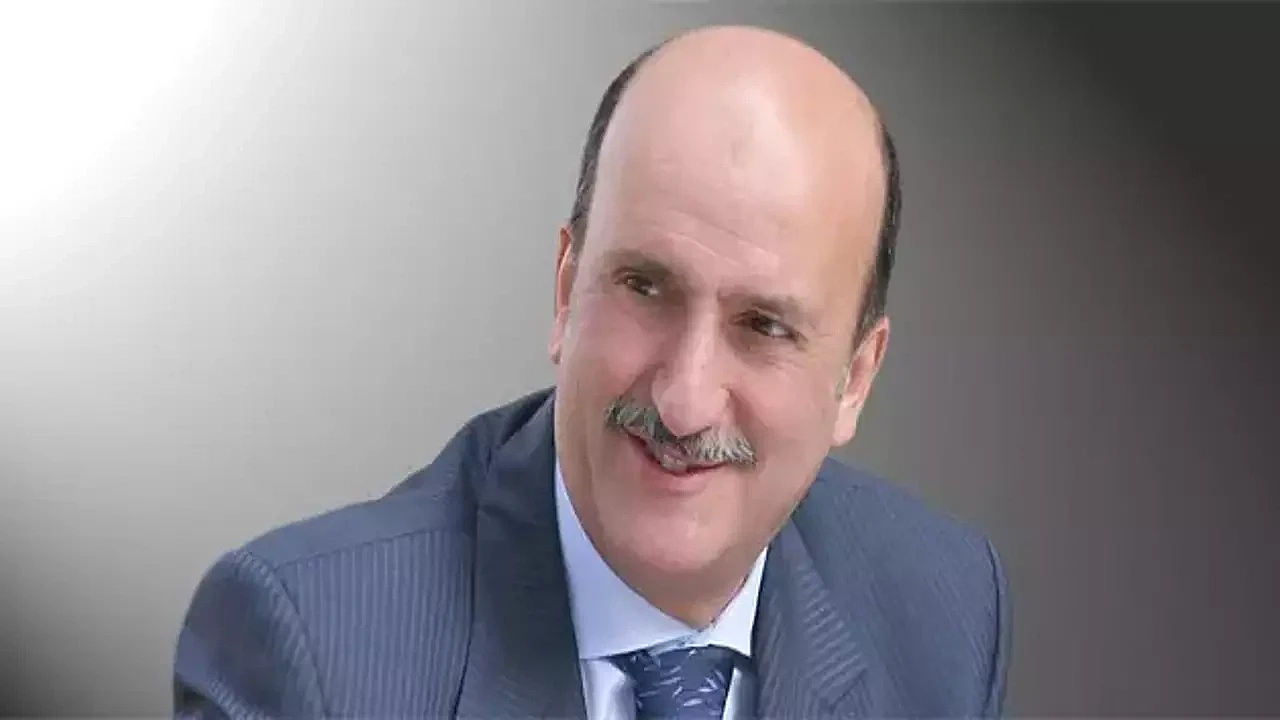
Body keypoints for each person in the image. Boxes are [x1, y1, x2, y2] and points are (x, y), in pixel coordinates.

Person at [173, 24, 1010, 719]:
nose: (684, 403)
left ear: (855, 379)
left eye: (763, 327)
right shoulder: (310, 656)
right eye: (645, 287)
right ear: (567, 289)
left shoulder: (945, 609)